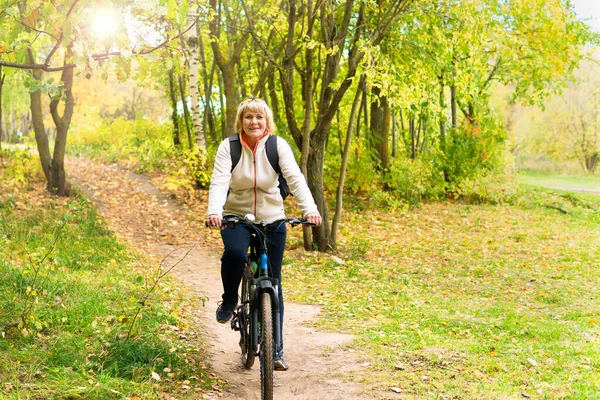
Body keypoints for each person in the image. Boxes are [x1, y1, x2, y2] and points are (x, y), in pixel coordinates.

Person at [207, 96, 322, 371]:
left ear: (266, 121)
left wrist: (310, 210)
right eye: (248, 117)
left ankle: (276, 350)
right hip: (237, 216)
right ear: (241, 121)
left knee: (274, 282)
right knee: (234, 254)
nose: (253, 122)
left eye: (259, 117)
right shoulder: (230, 147)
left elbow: (295, 178)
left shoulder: (277, 146)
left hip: (273, 217)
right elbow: (220, 179)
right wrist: (214, 210)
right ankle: (230, 298)